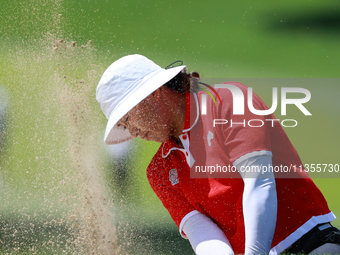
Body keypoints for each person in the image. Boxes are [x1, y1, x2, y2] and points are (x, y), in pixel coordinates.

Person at [96, 54, 340, 255]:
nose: (131, 131)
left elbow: (260, 183)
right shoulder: (159, 171)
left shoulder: (229, 102)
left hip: (310, 244)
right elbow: (202, 232)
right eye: (123, 126)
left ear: (153, 94)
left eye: (126, 119)